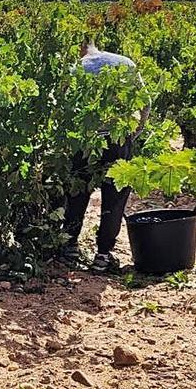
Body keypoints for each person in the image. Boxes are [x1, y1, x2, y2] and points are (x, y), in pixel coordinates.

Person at [60, 41, 150, 273]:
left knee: (78, 192)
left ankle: (69, 248)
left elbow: (62, 106)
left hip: (84, 141)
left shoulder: (76, 67)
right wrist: (133, 133)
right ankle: (102, 255)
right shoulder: (126, 63)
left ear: (81, 48)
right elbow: (145, 102)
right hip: (118, 139)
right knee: (115, 197)